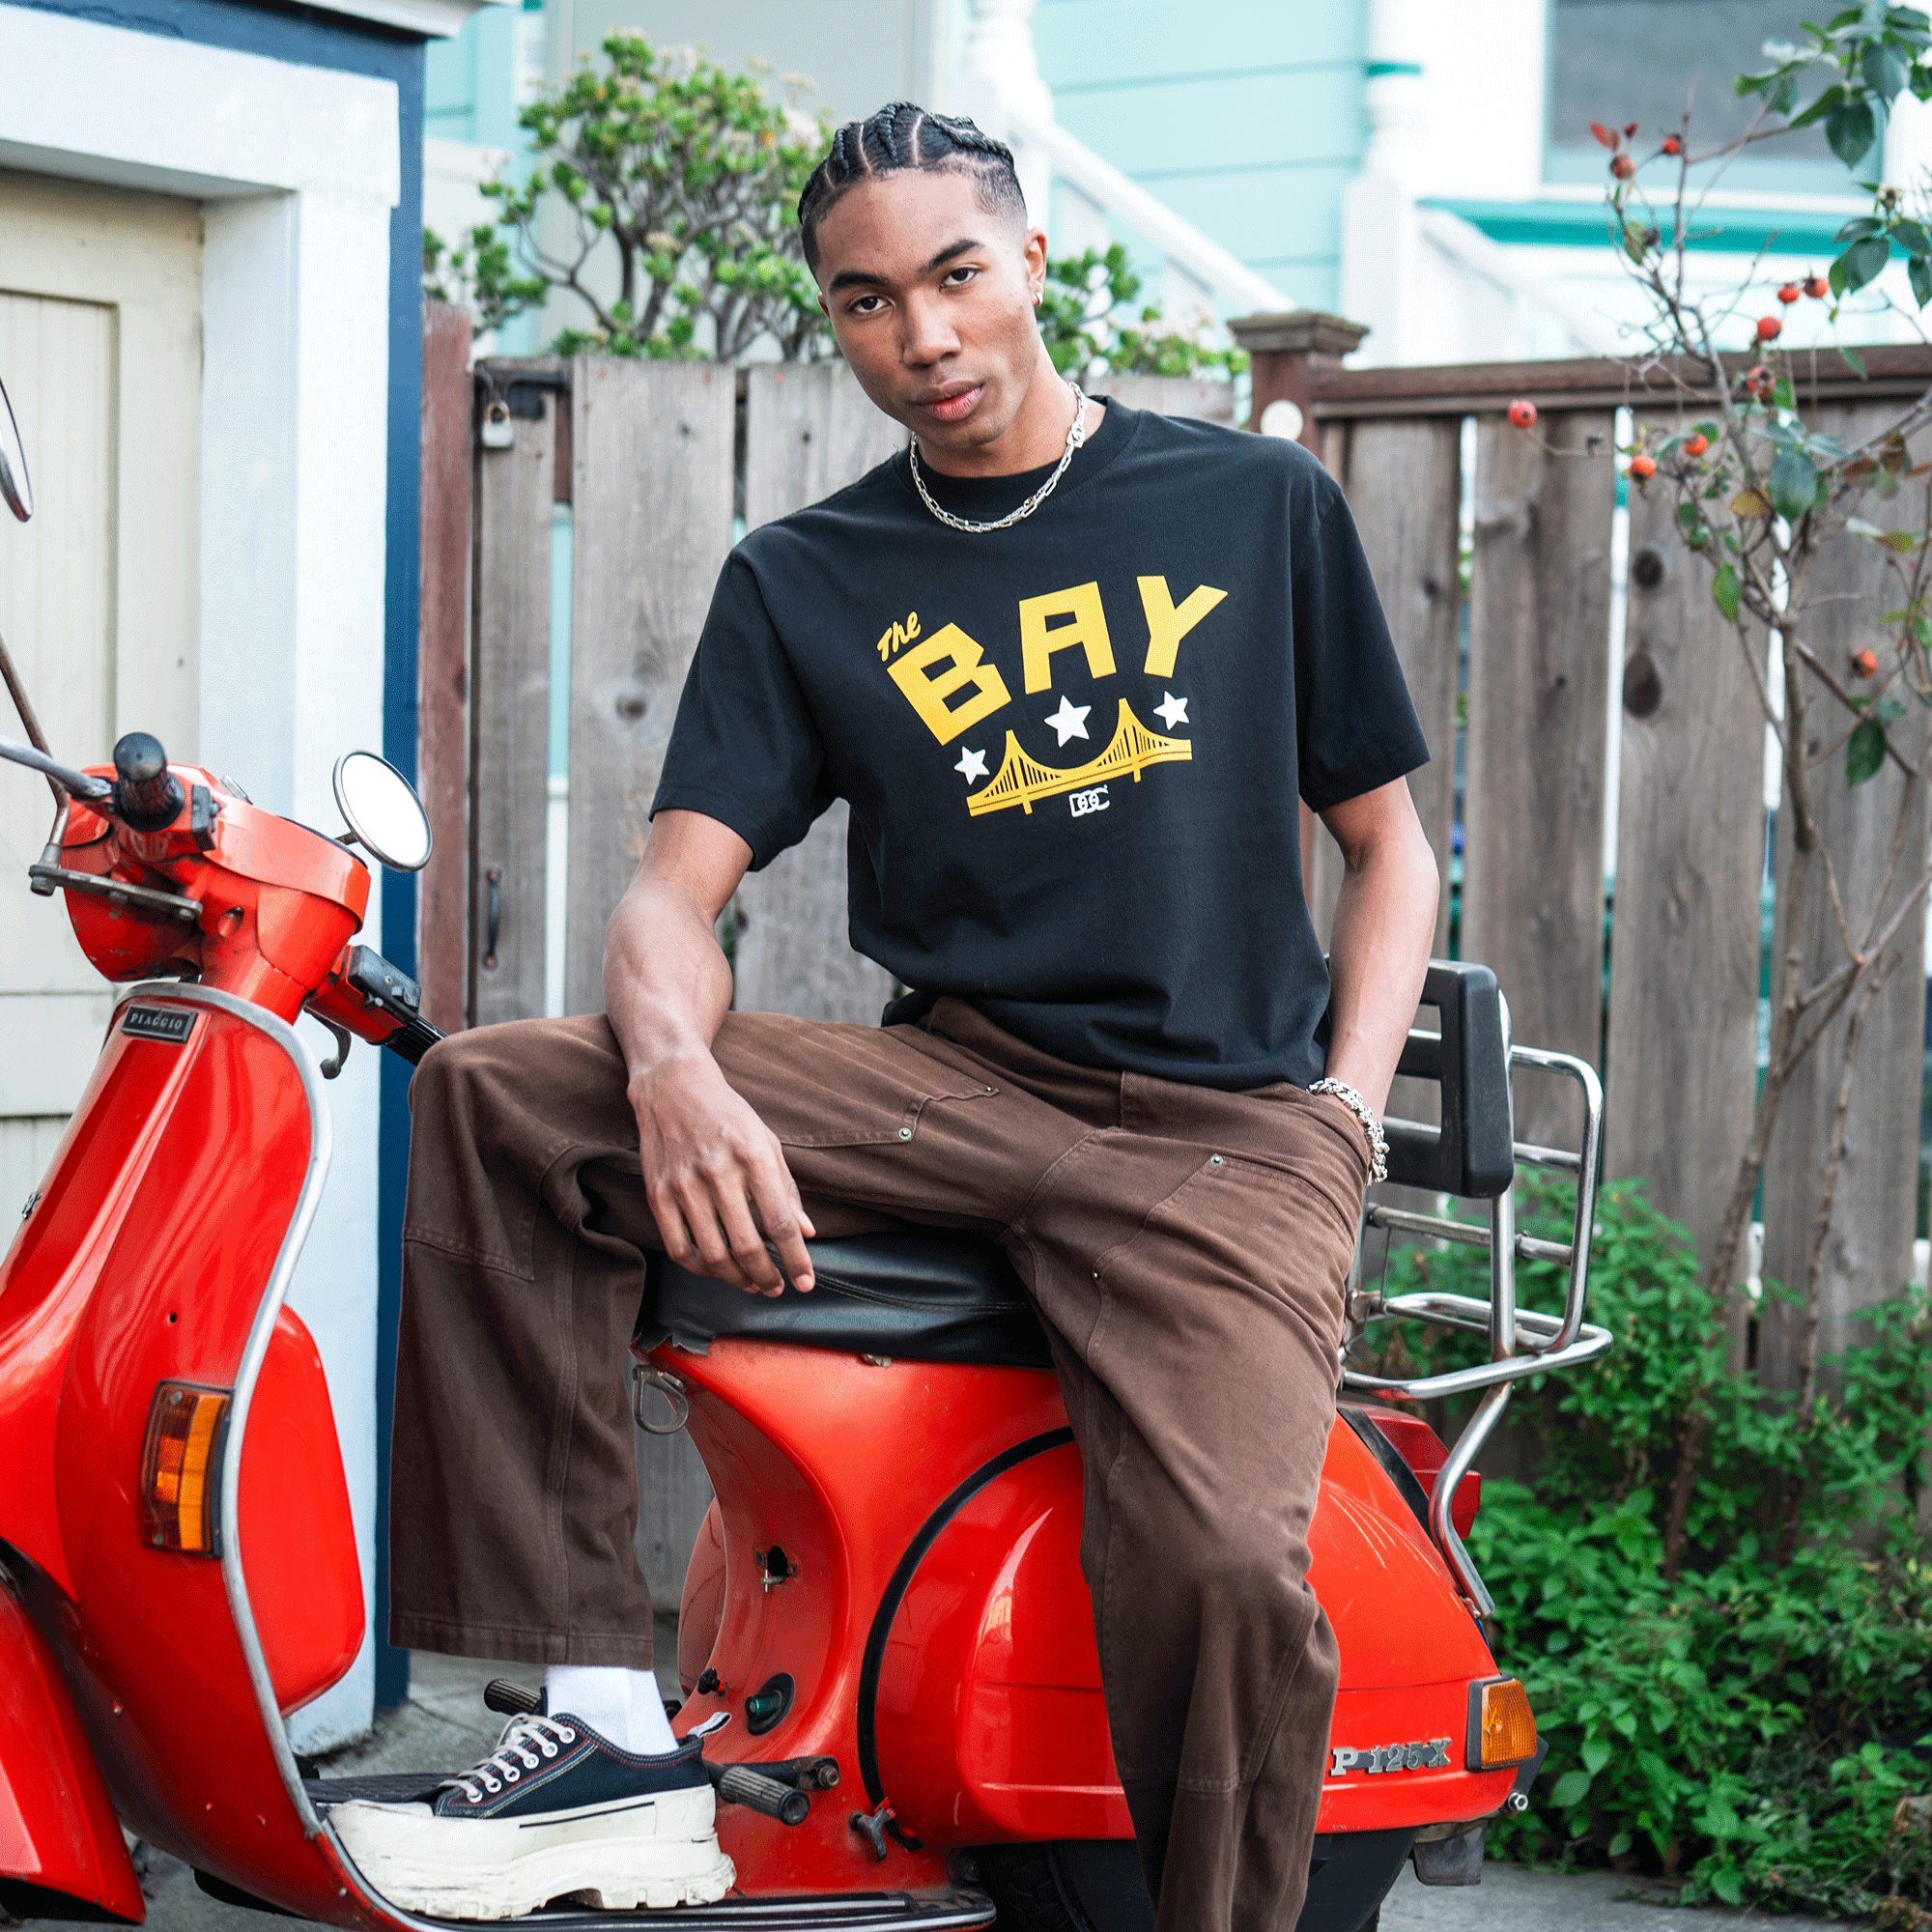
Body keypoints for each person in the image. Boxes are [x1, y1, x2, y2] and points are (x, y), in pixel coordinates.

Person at [332, 101, 1438, 1931]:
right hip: (955, 1085)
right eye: (865, 302)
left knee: (1237, 1574)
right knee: (498, 1092)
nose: (920, 339)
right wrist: (676, 1065)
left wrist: (1342, 1115)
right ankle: (605, 1727)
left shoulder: (1254, 503)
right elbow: (676, 893)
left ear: (1032, 261)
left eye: (954, 278)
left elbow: (1388, 849)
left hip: (1225, 1134)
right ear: (831, 318)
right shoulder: (807, 576)